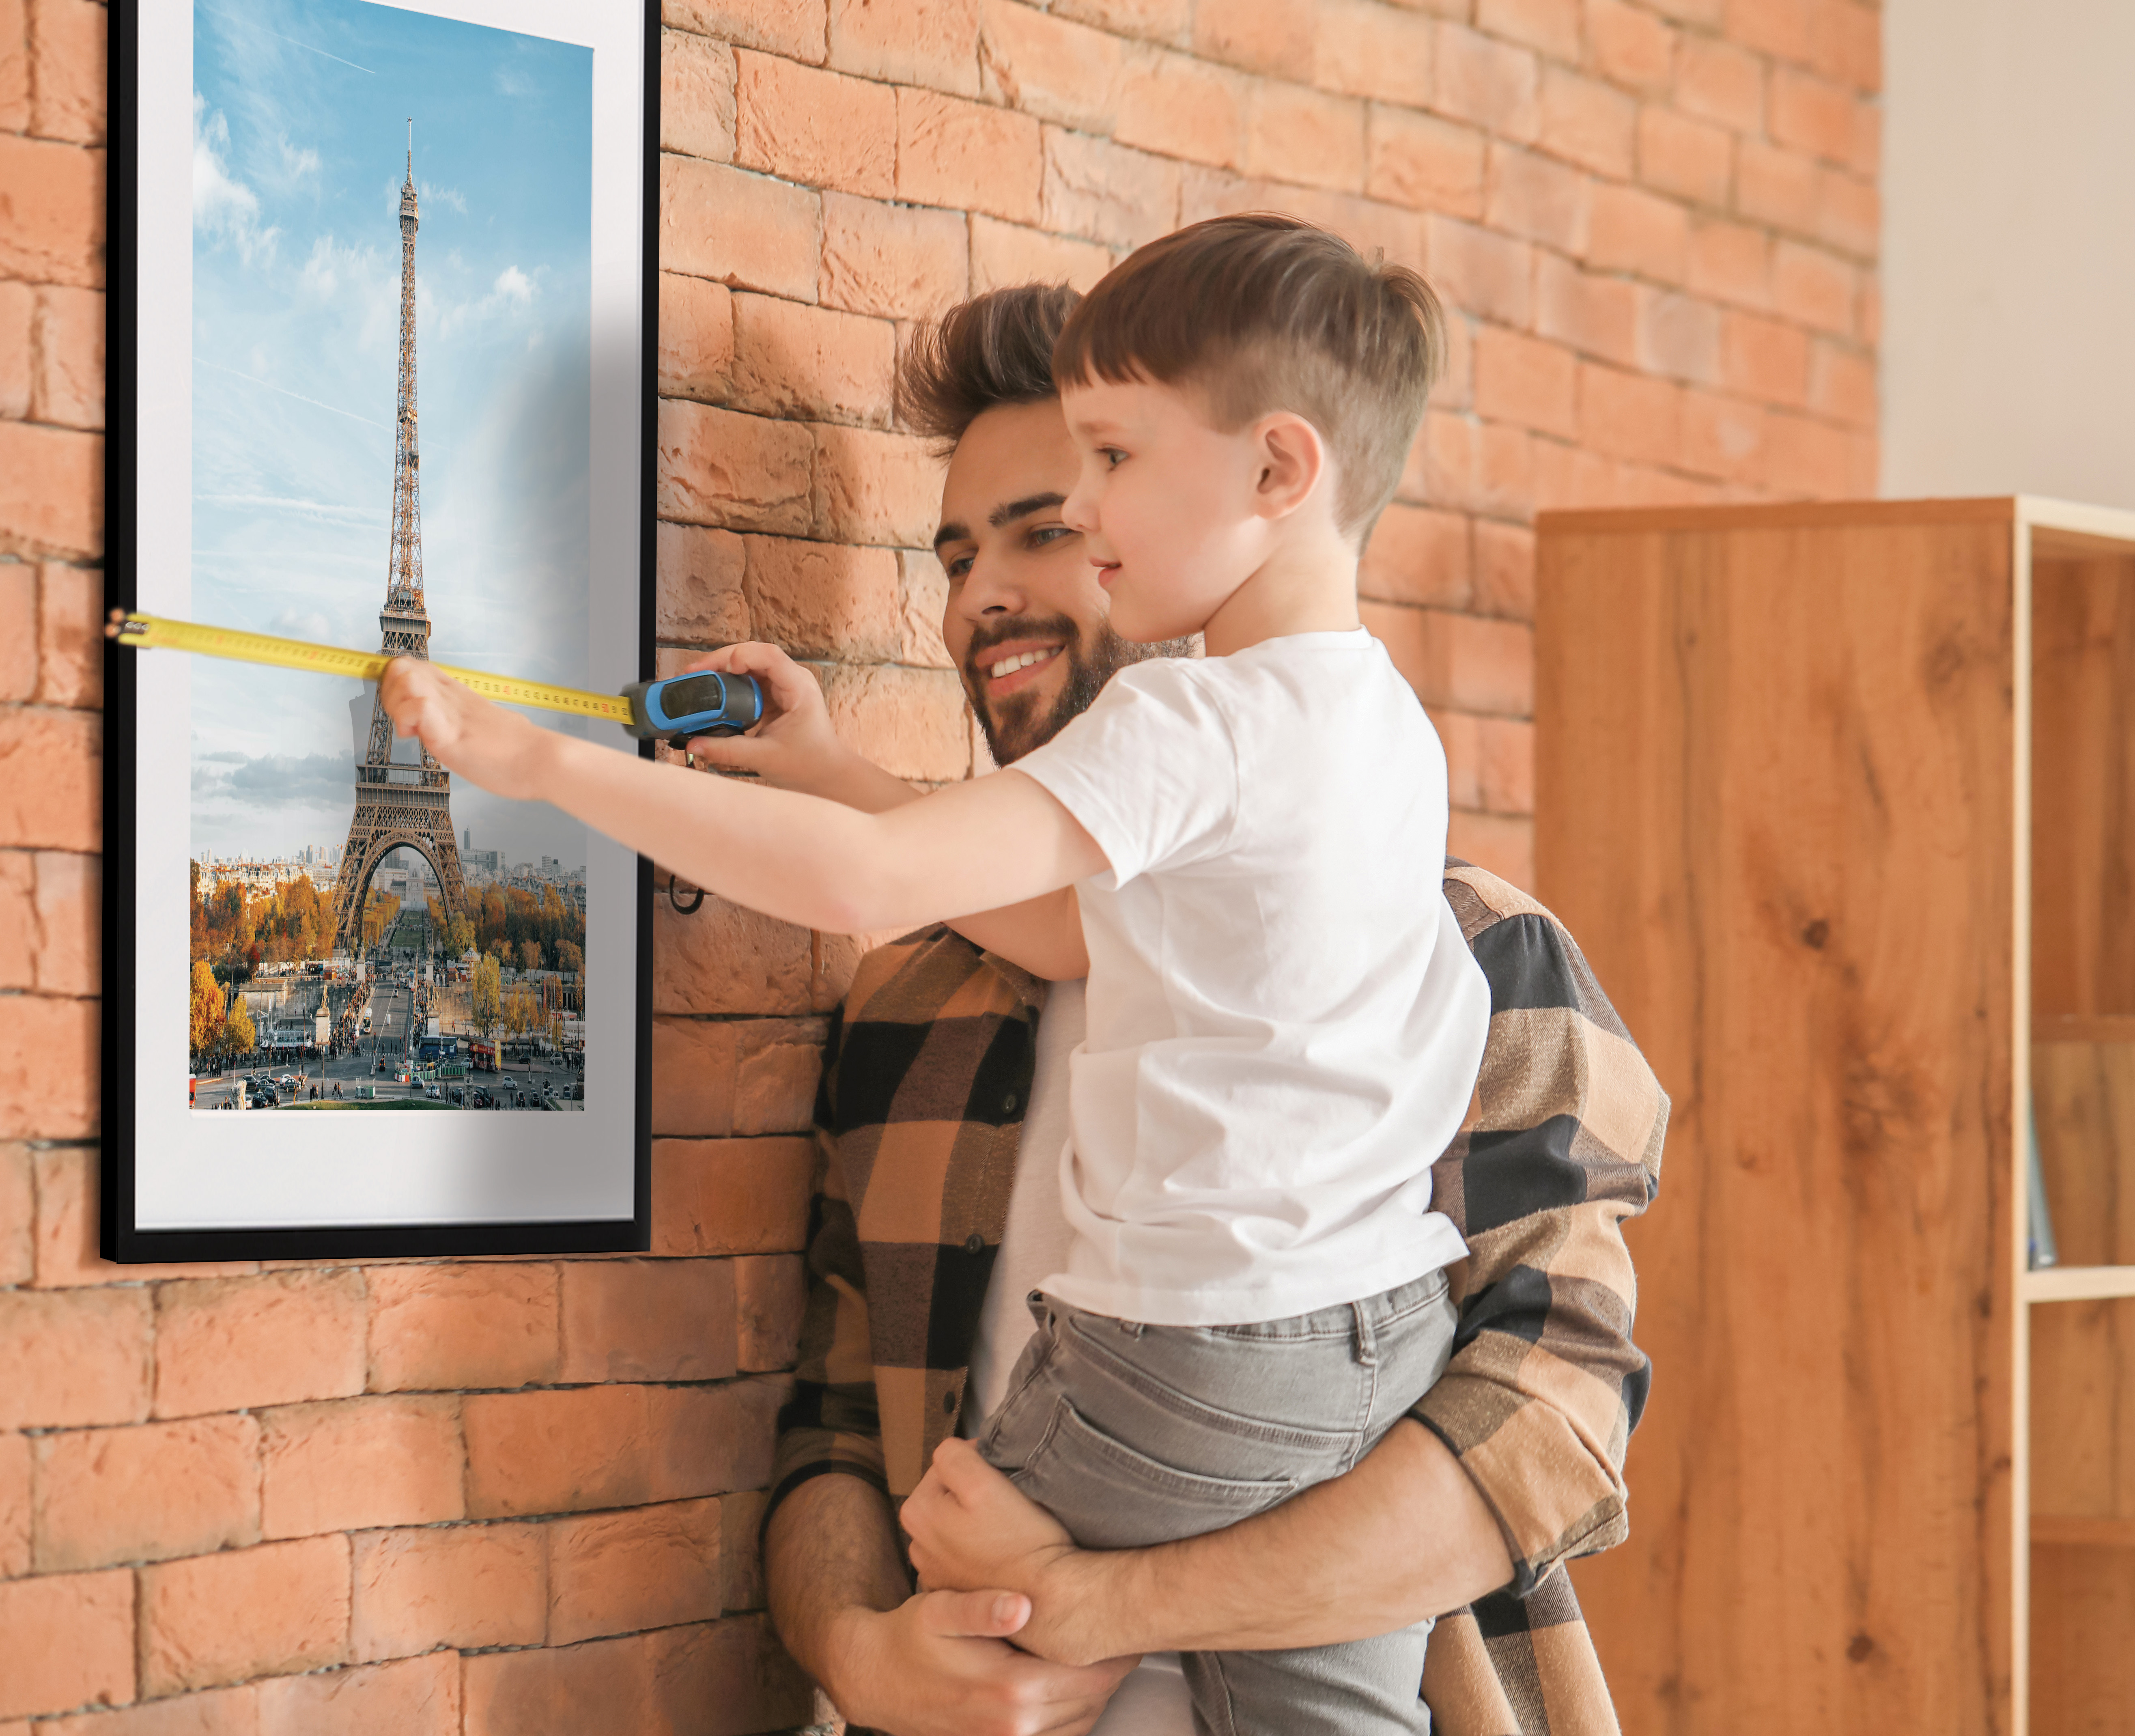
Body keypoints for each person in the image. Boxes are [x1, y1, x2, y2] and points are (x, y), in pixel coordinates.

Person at [383, 212, 1545, 1730]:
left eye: (1089, 488)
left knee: (957, 1528)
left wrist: (538, 762)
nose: (1017, 562)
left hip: (1191, 1352)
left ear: (1275, 471)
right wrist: (828, 768)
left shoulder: (1205, 736)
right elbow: (1073, 926)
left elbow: (1552, 1432)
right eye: (960, 549)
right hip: (1370, 1328)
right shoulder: (1379, 728)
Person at [672, 281, 1668, 1736]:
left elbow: (1546, 1435)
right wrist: (861, 1657)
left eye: (1055, 525)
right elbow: (835, 1427)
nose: (980, 597)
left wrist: (1096, 1603)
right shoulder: (912, 998)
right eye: (957, 555)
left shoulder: (1469, 954)